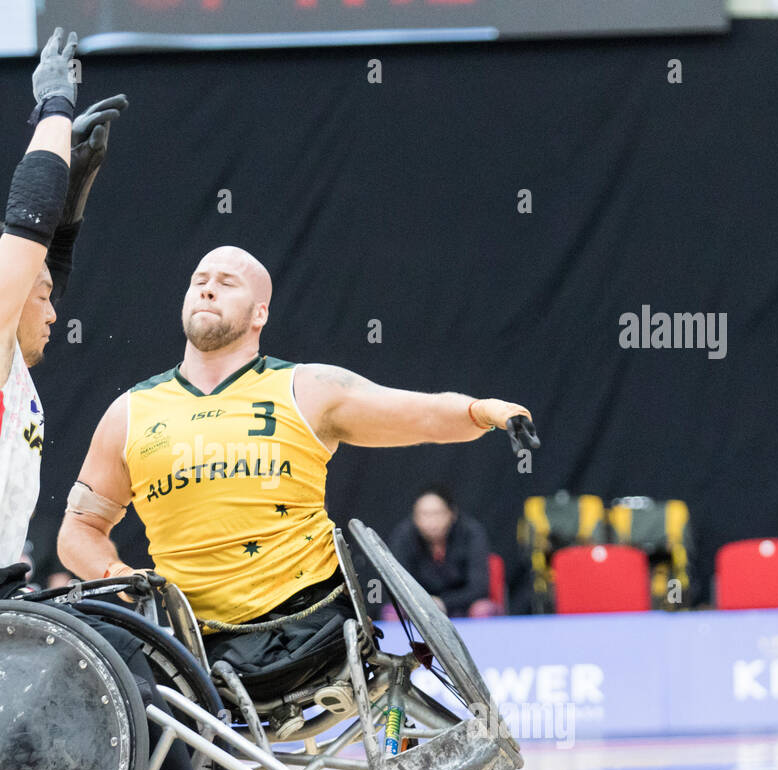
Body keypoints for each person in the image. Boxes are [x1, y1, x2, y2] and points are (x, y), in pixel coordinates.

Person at [0, 30, 220, 770]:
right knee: (117, 658)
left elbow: (46, 253)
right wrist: (53, 111)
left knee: (134, 636)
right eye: (42, 299)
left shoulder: (2, 369)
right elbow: (27, 234)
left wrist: (81, 186)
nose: (56, 310)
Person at [56, 245, 536, 735]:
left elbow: (421, 413)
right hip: (191, 645)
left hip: (312, 626)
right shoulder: (131, 412)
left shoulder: (306, 388)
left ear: (259, 311)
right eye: (199, 278)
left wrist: (486, 411)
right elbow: (79, 530)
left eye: (227, 281)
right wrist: (123, 577)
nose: (207, 287)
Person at [388, 485, 498, 618]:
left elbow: (479, 588)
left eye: (436, 513)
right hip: (418, 607)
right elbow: (398, 586)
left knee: (483, 609)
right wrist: (425, 603)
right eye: (423, 514)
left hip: (463, 605)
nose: (430, 522)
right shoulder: (403, 536)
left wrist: (443, 603)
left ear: (452, 514)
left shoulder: (471, 533)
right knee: (393, 612)